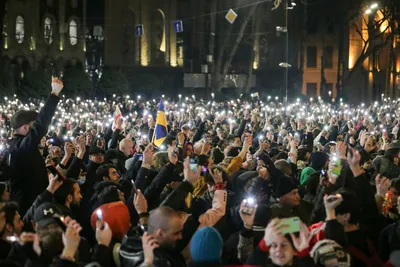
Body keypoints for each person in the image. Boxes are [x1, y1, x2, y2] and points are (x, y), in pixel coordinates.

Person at [8, 76, 64, 215]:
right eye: (33, 127)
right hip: (28, 207)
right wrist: (54, 95)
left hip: (33, 204)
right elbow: (41, 125)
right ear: (26, 128)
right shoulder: (20, 147)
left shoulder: (20, 146)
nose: (38, 133)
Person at [119, 206, 185, 267]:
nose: (180, 237)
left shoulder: (131, 238)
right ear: (160, 233)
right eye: (176, 233)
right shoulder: (160, 262)